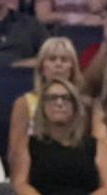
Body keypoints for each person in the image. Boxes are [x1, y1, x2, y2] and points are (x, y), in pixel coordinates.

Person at [10, 78, 107, 195]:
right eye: (52, 98)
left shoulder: (96, 146)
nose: (59, 103)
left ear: (75, 106)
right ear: (42, 106)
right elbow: (19, 184)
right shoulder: (29, 144)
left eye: (66, 98)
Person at [7, 37, 84, 166]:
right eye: (52, 59)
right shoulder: (23, 103)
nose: (58, 64)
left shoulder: (83, 104)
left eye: (64, 60)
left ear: (72, 68)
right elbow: (14, 152)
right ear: (42, 66)